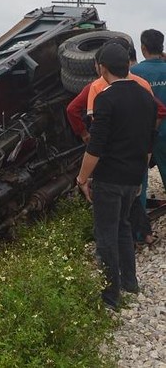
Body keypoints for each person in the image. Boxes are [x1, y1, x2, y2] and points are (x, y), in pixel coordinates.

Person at [76, 42, 157, 310]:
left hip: (109, 179)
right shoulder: (146, 96)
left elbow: (95, 147)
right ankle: (130, 283)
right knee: (123, 228)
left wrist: (82, 179)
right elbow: (148, 143)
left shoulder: (105, 98)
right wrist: (139, 176)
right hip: (133, 177)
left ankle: (110, 298)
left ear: (102, 68)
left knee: (106, 235)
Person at [67, 38, 164, 245]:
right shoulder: (142, 85)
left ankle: (117, 258)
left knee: (109, 228)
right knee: (138, 192)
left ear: (101, 67)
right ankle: (142, 234)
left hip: (109, 162)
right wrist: (147, 135)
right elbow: (159, 110)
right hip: (138, 154)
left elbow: (82, 120)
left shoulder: (96, 88)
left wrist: (82, 176)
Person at [130, 30, 166, 208]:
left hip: (143, 135)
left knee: (139, 183)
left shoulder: (134, 72)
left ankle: (140, 230)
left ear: (143, 48)